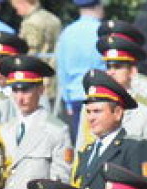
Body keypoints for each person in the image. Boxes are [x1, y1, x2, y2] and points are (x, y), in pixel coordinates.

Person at [0, 55, 72, 189]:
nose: (20, 96)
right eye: (15, 89)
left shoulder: (56, 129)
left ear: (41, 89)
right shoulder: (4, 130)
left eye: (26, 89)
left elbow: (60, 181)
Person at [71, 70, 147, 189]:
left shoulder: (135, 147)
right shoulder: (88, 151)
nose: (91, 118)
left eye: (97, 111)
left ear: (117, 113)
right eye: (88, 112)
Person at [93, 34, 147, 150]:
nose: (111, 72)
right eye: (108, 67)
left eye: (117, 67)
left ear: (132, 71)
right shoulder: (98, 104)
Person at [56, 0, 105, 137]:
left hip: (75, 97)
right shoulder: (103, 31)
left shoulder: (67, 33)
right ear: (98, 6)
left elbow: (62, 71)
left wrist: (68, 103)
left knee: (80, 147)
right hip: (100, 96)